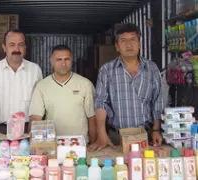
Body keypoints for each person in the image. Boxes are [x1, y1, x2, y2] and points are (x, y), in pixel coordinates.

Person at [89, 23, 164, 151]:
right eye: (123, 41)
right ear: (117, 47)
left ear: (139, 44)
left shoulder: (152, 68)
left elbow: (157, 101)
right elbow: (101, 102)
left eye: (133, 40)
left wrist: (156, 130)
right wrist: (102, 133)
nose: (128, 45)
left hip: (145, 135)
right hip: (116, 137)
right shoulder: (107, 70)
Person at [29, 45, 97, 143]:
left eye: (67, 59)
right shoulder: (42, 86)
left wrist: (93, 143)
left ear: (71, 60)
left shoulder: (85, 84)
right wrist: (35, 146)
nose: (63, 63)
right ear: (51, 61)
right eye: (59, 60)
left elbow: (92, 117)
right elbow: (36, 119)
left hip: (80, 144)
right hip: (53, 144)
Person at [0, 29, 43, 133]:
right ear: (4, 47)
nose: (16, 49)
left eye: (21, 45)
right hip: (1, 130)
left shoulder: (35, 70)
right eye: (12, 45)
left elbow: (40, 103)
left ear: (25, 48)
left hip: (27, 129)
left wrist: (37, 130)